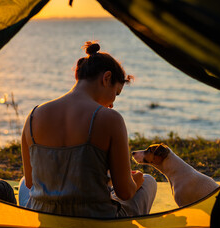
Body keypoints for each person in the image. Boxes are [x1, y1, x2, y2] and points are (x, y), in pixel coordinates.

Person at [18, 41, 157, 218]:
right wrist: (136, 181)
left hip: (45, 218)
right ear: (106, 78)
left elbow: (31, 183)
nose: (112, 104)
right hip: (95, 222)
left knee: (23, 183)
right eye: (116, 93)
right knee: (149, 182)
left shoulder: (33, 115)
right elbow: (125, 192)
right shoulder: (110, 119)